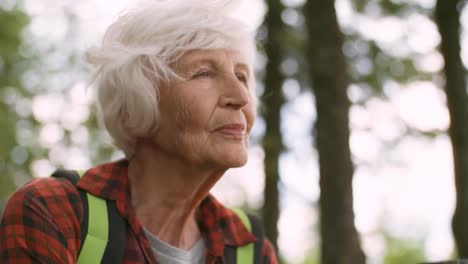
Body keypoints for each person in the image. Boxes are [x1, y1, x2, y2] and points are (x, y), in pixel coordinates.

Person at [0, 0, 278, 263]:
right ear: (138, 101)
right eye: (204, 73)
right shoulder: (53, 212)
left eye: (242, 76)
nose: (241, 96)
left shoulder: (250, 248)